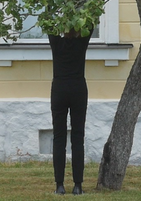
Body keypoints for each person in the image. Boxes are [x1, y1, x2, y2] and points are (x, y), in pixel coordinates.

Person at [49, 30, 91, 195]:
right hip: (78, 88)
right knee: (78, 137)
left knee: (59, 138)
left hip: (59, 89)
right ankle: (77, 185)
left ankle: (59, 185)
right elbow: (91, 23)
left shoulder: (56, 43)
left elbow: (48, 21)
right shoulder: (81, 43)